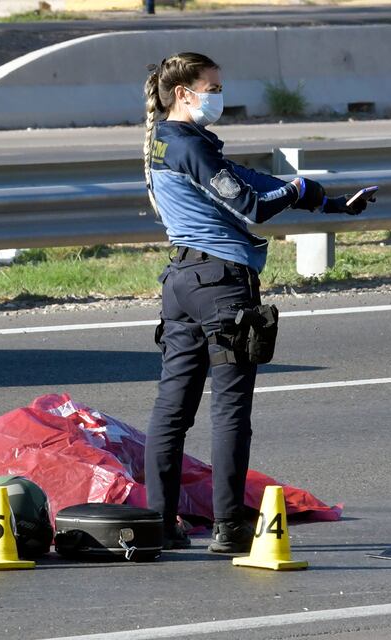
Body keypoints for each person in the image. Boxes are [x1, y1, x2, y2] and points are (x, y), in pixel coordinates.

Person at [142, 52, 370, 553]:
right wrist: (297, 187)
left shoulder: (168, 139)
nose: (219, 97)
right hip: (222, 285)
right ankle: (229, 526)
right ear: (183, 93)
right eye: (213, 88)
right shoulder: (190, 146)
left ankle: (159, 522)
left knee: (172, 408)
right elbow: (252, 205)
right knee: (230, 408)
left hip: (180, 282)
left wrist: (325, 201)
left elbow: (240, 176)